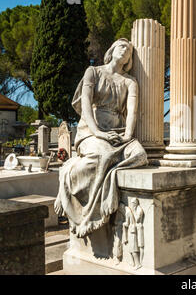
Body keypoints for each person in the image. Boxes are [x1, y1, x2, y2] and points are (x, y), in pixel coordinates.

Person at [54, 38, 148, 238]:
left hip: (118, 132)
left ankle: (110, 181)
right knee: (104, 154)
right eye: (122, 47)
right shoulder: (93, 72)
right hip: (91, 131)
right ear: (112, 50)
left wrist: (128, 136)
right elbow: (86, 104)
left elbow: (132, 112)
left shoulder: (130, 82)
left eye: (130, 51)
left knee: (140, 155)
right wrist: (97, 131)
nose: (126, 51)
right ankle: (84, 207)